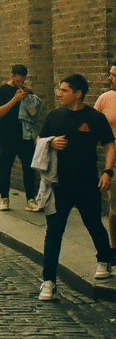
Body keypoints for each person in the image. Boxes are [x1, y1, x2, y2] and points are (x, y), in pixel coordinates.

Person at [37, 73, 115, 300]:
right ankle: (48, 281)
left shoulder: (95, 118)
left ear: (78, 93)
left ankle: (104, 259)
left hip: (87, 182)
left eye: (64, 90)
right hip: (59, 185)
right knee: (54, 232)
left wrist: (108, 172)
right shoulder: (53, 116)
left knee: (93, 224)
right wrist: (51, 142)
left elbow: (110, 145)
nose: (59, 94)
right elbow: (40, 141)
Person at [0, 64, 39, 212]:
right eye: (18, 80)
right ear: (12, 76)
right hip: (7, 134)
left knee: (28, 167)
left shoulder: (24, 90)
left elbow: (32, 112)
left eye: (23, 81)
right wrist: (15, 99)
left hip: (24, 135)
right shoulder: (1, 91)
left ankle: (31, 198)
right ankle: (4, 198)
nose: (20, 83)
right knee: (5, 167)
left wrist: (31, 98)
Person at [93, 61, 116, 253]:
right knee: (115, 206)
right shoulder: (105, 99)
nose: (110, 78)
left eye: (114, 75)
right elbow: (91, 125)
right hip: (114, 161)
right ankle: (115, 247)